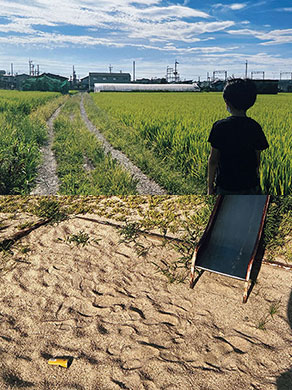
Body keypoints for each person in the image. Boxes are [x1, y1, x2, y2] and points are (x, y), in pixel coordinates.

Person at [207, 78, 269, 195]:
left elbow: (213, 160)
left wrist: (210, 187)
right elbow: (257, 159)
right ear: (251, 102)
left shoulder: (220, 127)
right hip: (251, 185)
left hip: (226, 185)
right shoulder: (255, 127)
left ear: (227, 101)